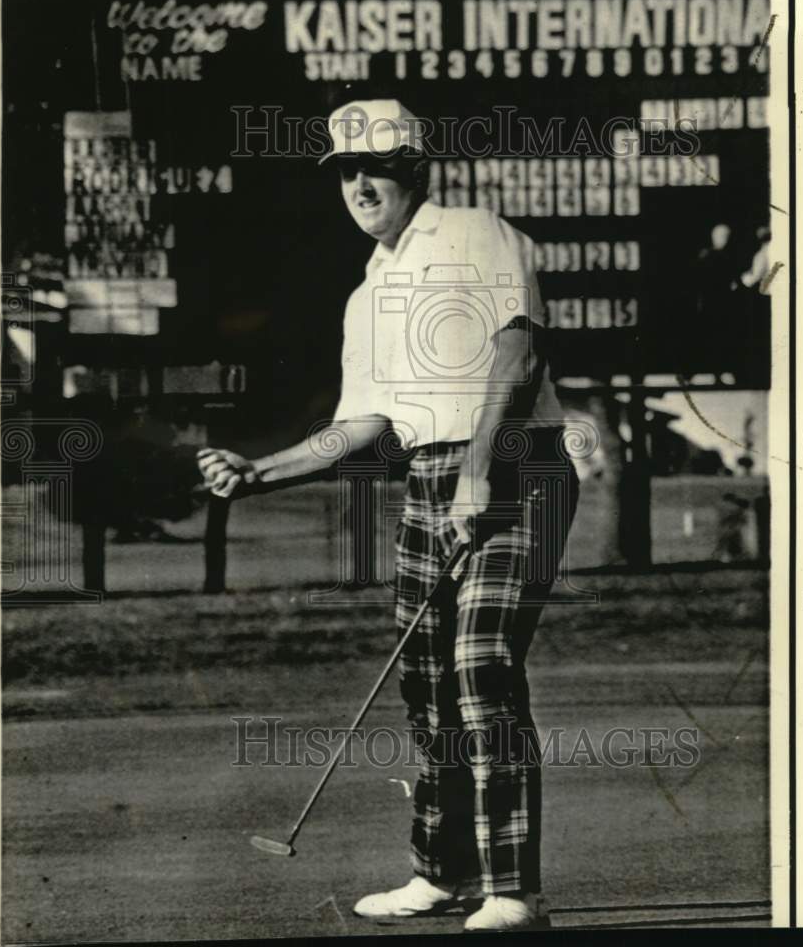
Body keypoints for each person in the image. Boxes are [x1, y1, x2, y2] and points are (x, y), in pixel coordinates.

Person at [198, 99, 579, 932]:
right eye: (343, 171)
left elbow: (519, 353)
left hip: (517, 463)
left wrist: (479, 472)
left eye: (375, 167)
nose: (358, 185)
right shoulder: (367, 291)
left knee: (480, 666)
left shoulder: (476, 232)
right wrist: (259, 472)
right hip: (431, 474)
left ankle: (516, 890)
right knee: (427, 686)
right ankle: (439, 875)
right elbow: (360, 422)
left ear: (415, 169)